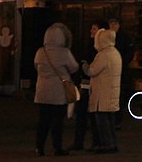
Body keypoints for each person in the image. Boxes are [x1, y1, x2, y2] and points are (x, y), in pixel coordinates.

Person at [34, 22, 78, 157]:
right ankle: (57, 147)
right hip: (59, 91)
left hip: (42, 91)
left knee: (43, 120)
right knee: (57, 121)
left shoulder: (41, 52)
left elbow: (36, 66)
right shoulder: (64, 52)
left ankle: (39, 148)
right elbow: (74, 67)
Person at [83, 26, 122, 154]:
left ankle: (107, 145)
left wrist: (85, 66)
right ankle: (112, 143)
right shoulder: (115, 53)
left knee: (103, 122)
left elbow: (92, 71)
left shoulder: (103, 55)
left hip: (102, 94)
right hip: (111, 93)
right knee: (110, 121)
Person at [71, 20, 102, 152]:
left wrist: (84, 66)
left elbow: (91, 69)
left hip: (92, 85)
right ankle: (81, 142)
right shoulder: (90, 46)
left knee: (91, 116)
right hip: (85, 84)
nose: (91, 31)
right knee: (83, 115)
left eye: (94, 28)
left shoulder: (99, 51)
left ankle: (95, 142)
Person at [107, 18, 133, 127]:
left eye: (115, 23)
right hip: (108, 71)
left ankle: (117, 119)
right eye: (111, 23)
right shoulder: (105, 37)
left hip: (121, 70)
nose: (113, 26)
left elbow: (129, 53)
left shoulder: (124, 38)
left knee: (119, 95)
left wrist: (121, 62)